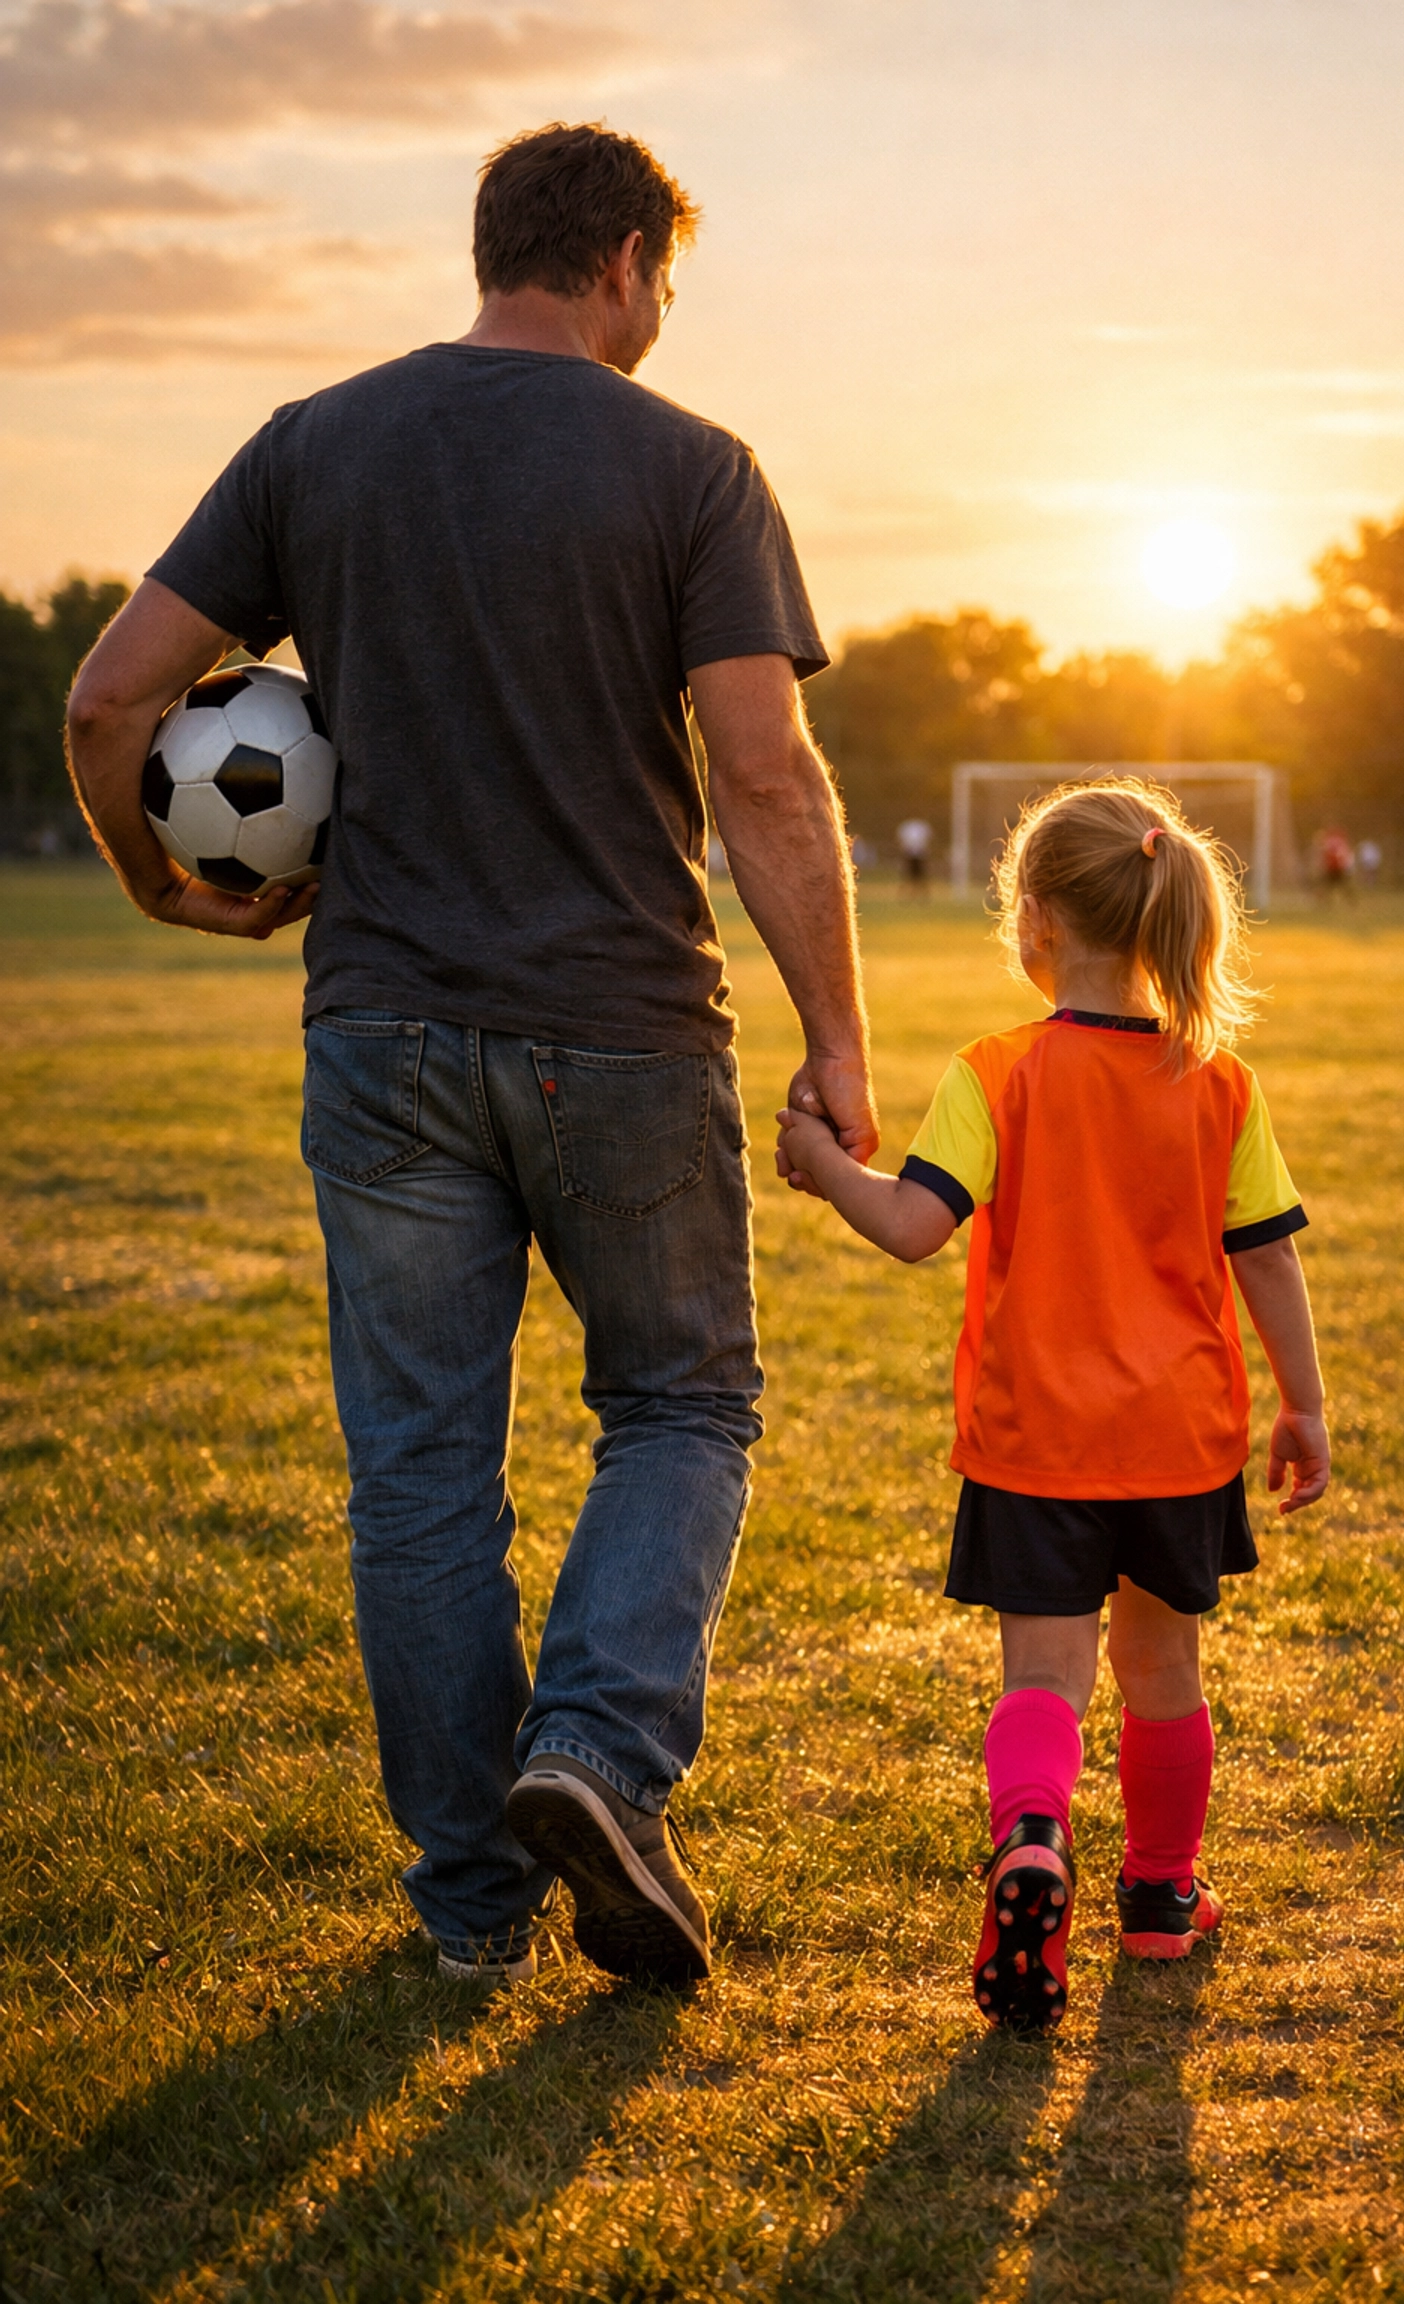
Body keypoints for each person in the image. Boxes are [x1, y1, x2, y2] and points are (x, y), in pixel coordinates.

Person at [65, 123, 877, 1991]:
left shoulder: (312, 442)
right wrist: (839, 1035)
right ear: (615, 265)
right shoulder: (696, 469)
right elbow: (762, 774)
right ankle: (591, 1751)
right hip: (623, 1029)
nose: (659, 316)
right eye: (659, 281)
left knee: (419, 1470)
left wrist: (156, 885)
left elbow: (112, 694)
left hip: (380, 1030)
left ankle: (466, 1904)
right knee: (678, 1403)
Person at [776, 779, 1329, 2034]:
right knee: (1163, 1669)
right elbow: (1270, 1260)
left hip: (1037, 1439)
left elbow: (916, 1228)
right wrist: (1304, 1406)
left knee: (1044, 1671)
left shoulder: (997, 1070)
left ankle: (1031, 1839)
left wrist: (822, 1166)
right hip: (1179, 1442)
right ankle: (1157, 1895)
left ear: (1031, 920)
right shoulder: (1220, 1081)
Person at [897, 815, 934, 895]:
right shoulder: (906, 826)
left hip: (920, 855)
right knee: (908, 876)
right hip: (909, 855)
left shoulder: (923, 826)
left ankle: (922, 893)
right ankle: (907, 893)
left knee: (921, 876)